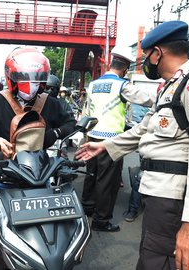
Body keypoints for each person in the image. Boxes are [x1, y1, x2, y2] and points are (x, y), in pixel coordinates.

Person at [75, 21, 189, 270]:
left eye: (147, 56)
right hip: (159, 193)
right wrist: (105, 146)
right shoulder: (169, 88)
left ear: (158, 53)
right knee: (151, 255)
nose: (146, 62)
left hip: (175, 199)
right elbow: (143, 129)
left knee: (159, 261)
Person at [0, 47, 76, 270]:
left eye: (37, 80)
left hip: (41, 178)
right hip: (3, 179)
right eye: (24, 79)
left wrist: (53, 135)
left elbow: (71, 123)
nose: (31, 85)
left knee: (59, 239)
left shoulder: (50, 103)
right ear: (11, 79)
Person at [81, 46, 153, 232]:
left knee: (91, 175)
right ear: (124, 69)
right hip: (111, 143)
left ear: (112, 64)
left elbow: (87, 110)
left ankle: (86, 208)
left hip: (92, 136)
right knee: (107, 182)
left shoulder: (93, 84)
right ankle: (101, 220)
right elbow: (149, 100)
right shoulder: (123, 85)